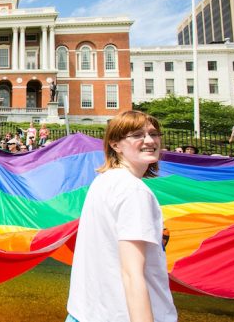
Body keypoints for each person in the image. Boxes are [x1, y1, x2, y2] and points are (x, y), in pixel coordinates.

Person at [66, 110, 177, 322]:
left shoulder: (104, 180)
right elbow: (132, 273)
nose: (149, 140)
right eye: (137, 135)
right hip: (121, 314)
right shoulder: (134, 191)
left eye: (153, 134)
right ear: (115, 145)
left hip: (85, 313)